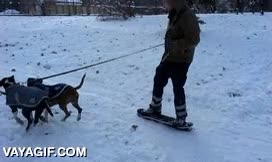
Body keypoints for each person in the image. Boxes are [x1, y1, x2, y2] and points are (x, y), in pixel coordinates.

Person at [140, 0, 200, 127]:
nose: (164, 3)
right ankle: (155, 107)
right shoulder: (174, 13)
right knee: (159, 77)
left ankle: (181, 118)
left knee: (178, 86)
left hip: (182, 59)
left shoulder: (187, 15)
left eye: (166, 1)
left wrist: (175, 45)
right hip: (170, 56)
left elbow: (194, 39)